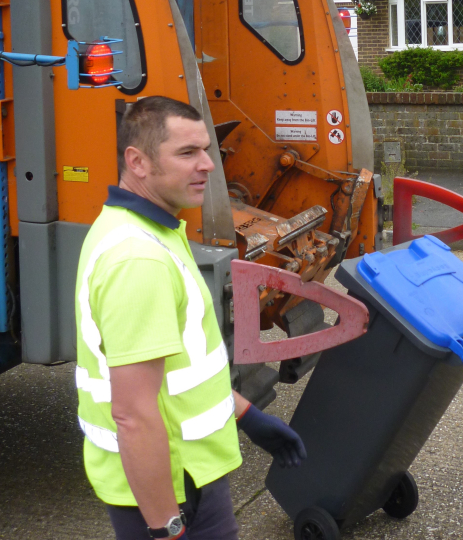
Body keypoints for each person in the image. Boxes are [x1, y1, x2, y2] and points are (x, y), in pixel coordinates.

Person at [74, 96, 306, 540]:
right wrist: (167, 527)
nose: (208, 165)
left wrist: (246, 415)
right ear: (137, 162)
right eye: (187, 153)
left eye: (207, 150)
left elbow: (178, 373)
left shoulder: (143, 229)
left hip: (184, 476)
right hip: (172, 490)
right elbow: (134, 413)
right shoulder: (139, 258)